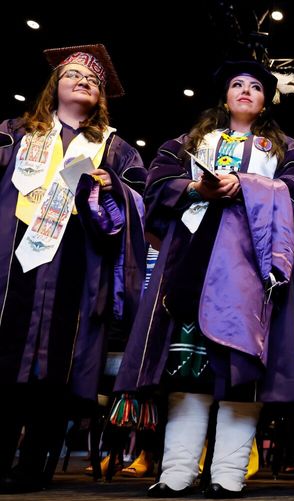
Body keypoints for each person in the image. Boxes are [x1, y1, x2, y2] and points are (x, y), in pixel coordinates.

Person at [114, 56, 294, 498]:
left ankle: (227, 473)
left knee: (240, 367)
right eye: (237, 85)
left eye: (255, 88)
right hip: (193, 257)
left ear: (265, 102)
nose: (245, 91)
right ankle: (178, 471)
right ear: (224, 96)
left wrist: (250, 185)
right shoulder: (190, 143)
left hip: (251, 264)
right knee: (189, 368)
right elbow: (157, 182)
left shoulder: (285, 150)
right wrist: (193, 188)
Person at [0, 43, 146, 493]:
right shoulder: (14, 133)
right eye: (73, 75)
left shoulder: (115, 148)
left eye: (93, 80)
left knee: (57, 364)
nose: (83, 80)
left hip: (77, 260)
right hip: (13, 260)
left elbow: (139, 203)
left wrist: (113, 187)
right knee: (5, 357)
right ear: (54, 86)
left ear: (101, 96)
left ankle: (34, 465)